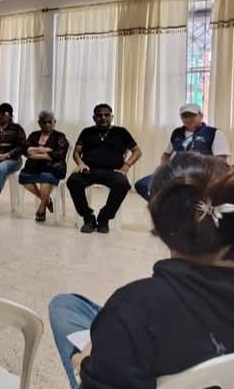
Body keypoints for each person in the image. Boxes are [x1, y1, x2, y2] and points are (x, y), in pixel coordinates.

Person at [49, 152, 234, 389]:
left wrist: (82, 362)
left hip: (130, 344)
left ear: (159, 224)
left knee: (65, 307)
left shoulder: (136, 307)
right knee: (70, 305)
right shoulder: (139, 307)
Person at [66, 103, 142, 234]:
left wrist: (127, 165)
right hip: (89, 170)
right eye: (99, 115)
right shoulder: (87, 132)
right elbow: (76, 152)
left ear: (112, 117)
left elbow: (137, 151)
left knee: (123, 184)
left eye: (107, 115)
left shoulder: (121, 132)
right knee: (73, 181)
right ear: (94, 118)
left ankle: (104, 218)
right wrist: (80, 163)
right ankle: (88, 218)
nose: (103, 118)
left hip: (113, 171)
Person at [134, 103, 231, 200]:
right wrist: (163, 169)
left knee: (182, 192)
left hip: (199, 175)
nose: (188, 119)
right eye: (185, 116)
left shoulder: (214, 133)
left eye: (192, 115)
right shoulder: (177, 133)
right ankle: (165, 206)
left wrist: (209, 177)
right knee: (143, 185)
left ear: (201, 115)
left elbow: (221, 160)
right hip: (175, 172)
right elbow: (166, 155)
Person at [18, 110, 70, 222]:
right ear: (39, 123)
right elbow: (25, 149)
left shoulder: (60, 136)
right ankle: (47, 200)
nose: (47, 124)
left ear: (54, 122)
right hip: (33, 167)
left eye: (49, 122)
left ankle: (42, 208)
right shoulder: (34, 135)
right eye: (44, 122)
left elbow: (60, 154)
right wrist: (45, 150)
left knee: (45, 179)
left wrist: (35, 153)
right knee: (23, 177)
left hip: (53, 167)